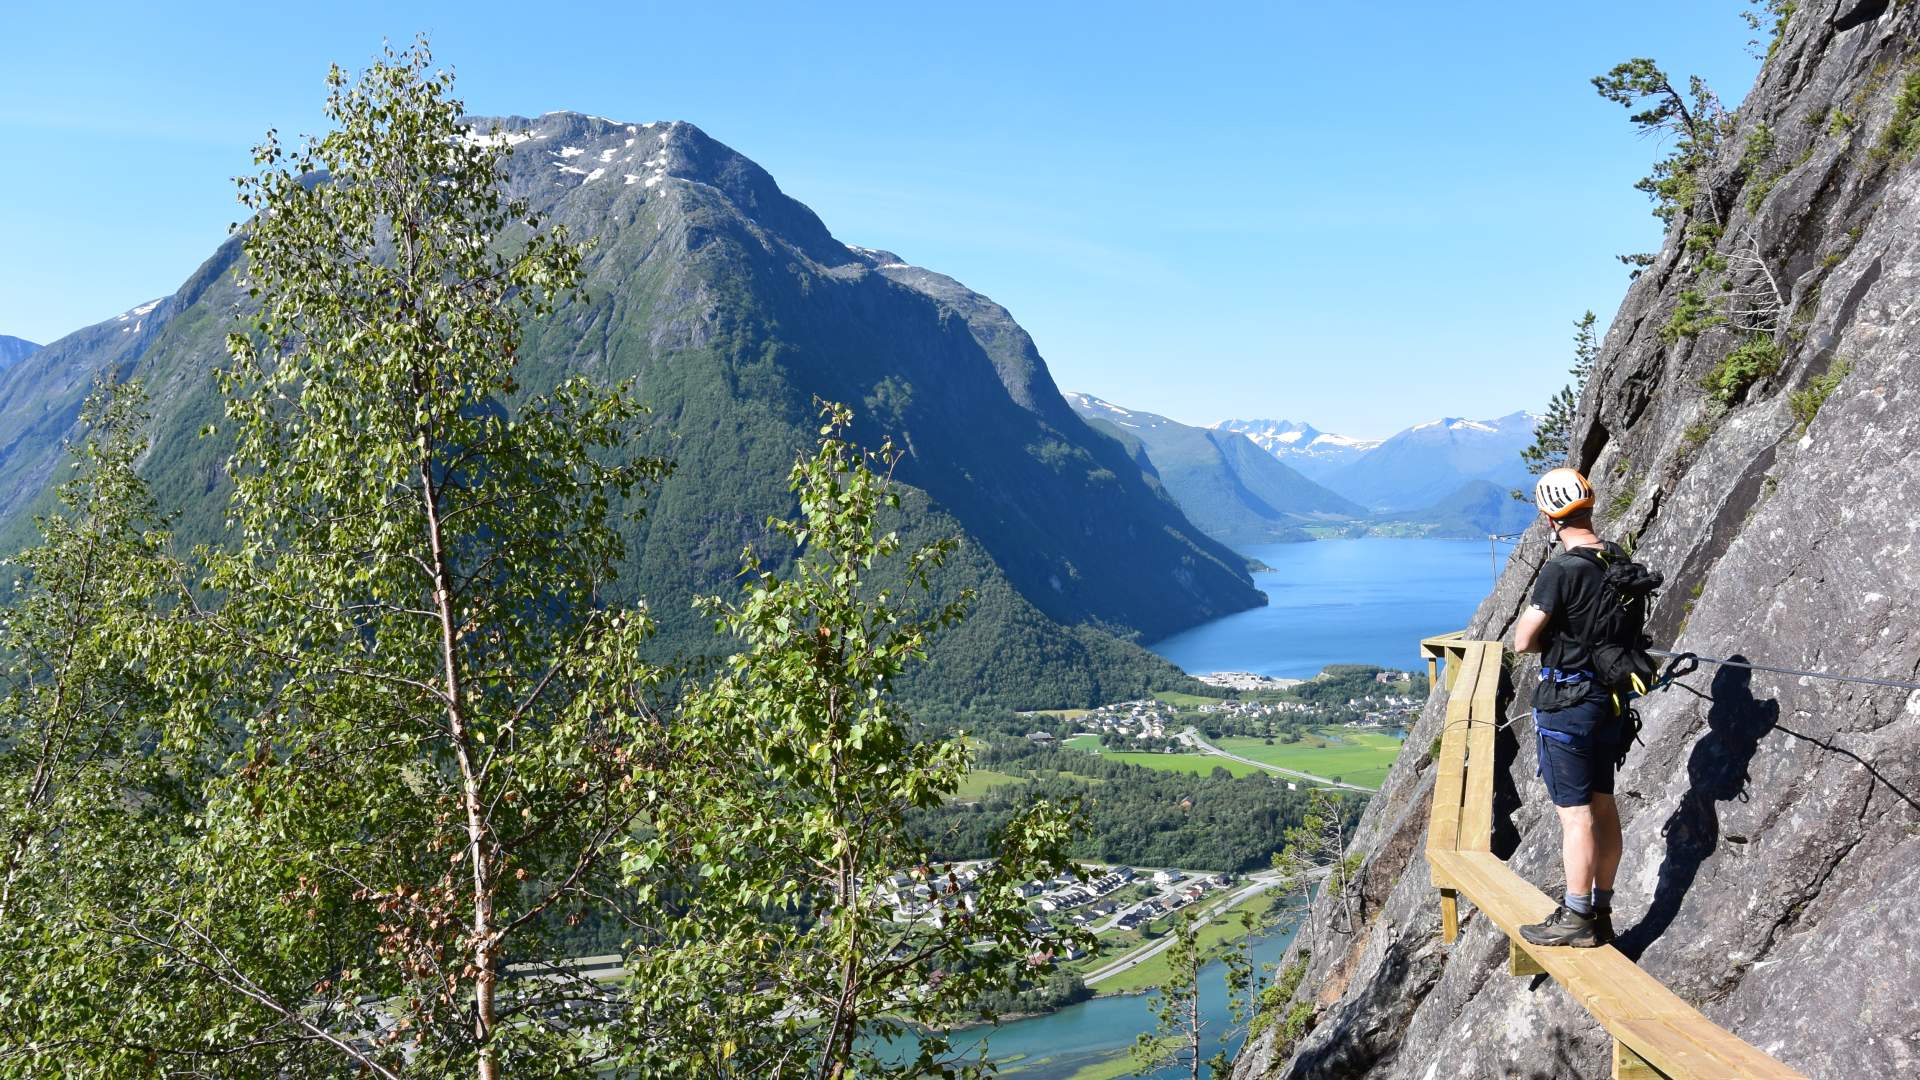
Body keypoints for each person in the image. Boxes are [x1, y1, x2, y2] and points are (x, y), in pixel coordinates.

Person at [1510, 466, 1622, 948]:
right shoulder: (1615, 558)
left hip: (1568, 704)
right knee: (1603, 805)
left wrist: (1557, 644)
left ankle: (1576, 916)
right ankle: (1601, 908)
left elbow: (1522, 640)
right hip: (1609, 700)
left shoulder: (1562, 569)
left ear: (1549, 517)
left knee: (1575, 816)